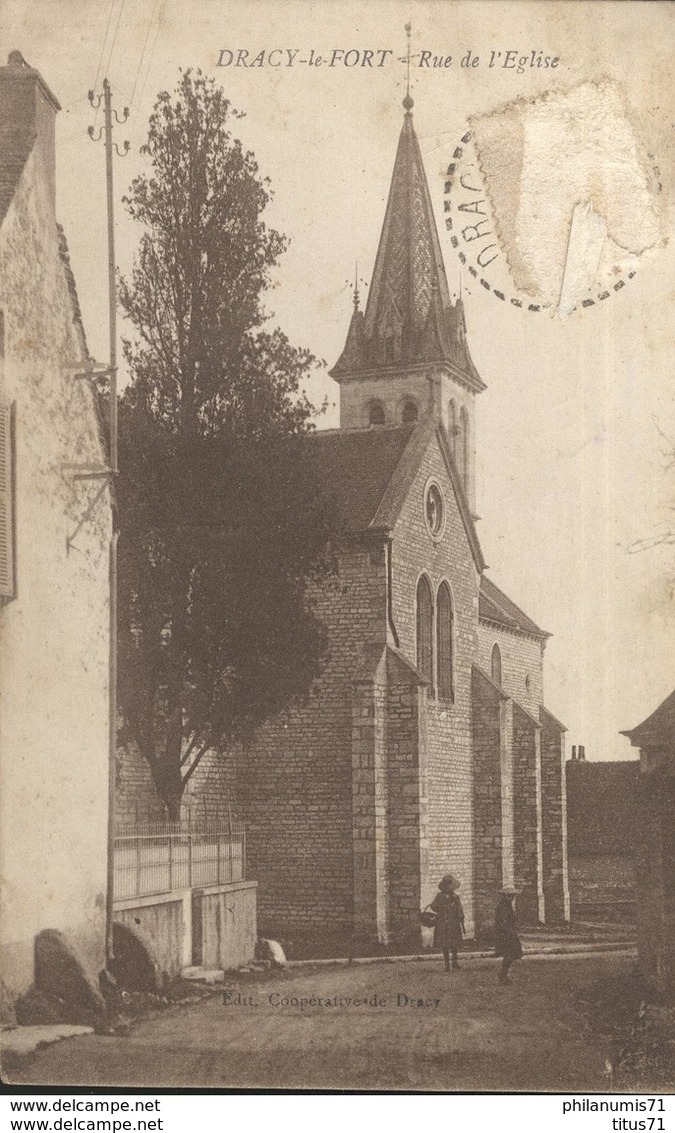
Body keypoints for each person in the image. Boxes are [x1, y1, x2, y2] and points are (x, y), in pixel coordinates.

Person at [430, 874, 465, 972]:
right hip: (445, 923)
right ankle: (448, 964)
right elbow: (433, 907)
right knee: (445, 944)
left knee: (454, 944)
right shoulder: (441, 897)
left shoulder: (455, 897)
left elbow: (460, 909)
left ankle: (453, 962)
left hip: (451, 923)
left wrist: (461, 917)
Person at [494, 887, 523, 985]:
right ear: (506, 896)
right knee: (509, 954)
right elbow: (502, 922)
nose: (513, 898)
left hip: (508, 932)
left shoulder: (507, 905)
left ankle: (503, 975)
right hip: (505, 934)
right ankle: (503, 976)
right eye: (511, 896)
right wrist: (509, 932)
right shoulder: (502, 907)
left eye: (513, 895)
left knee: (511, 955)